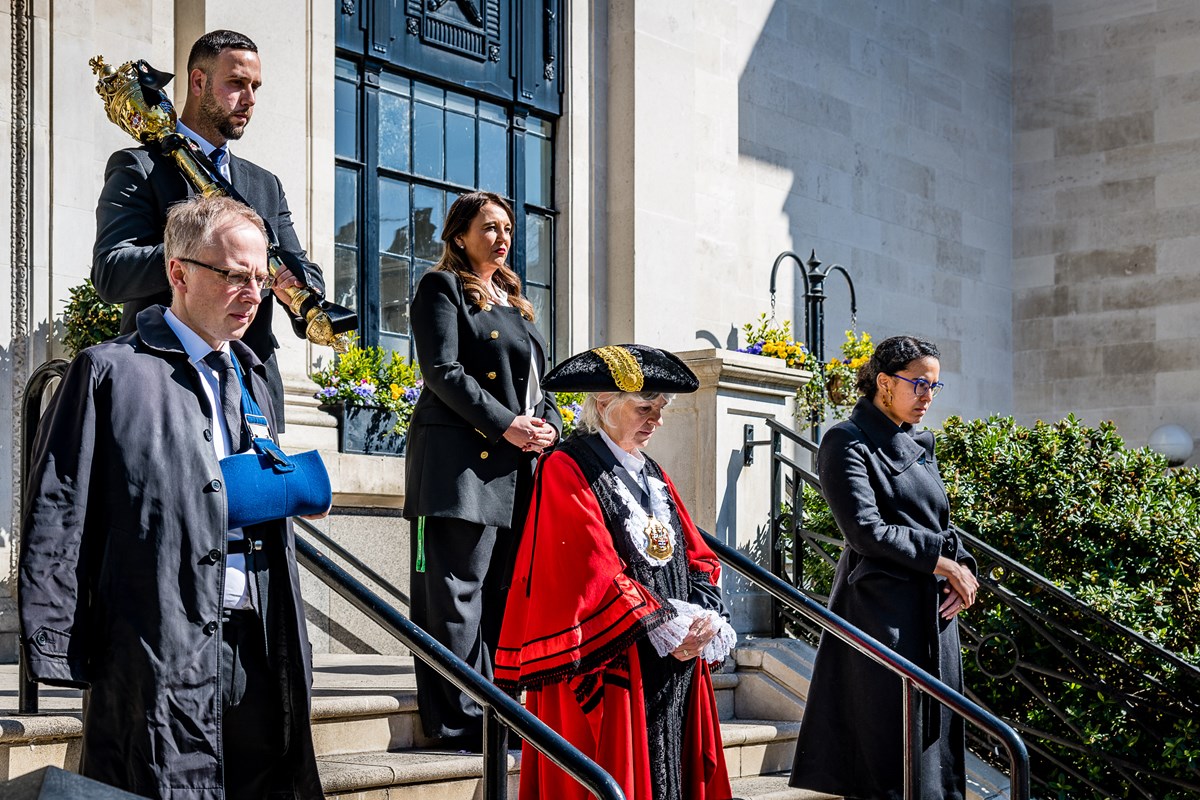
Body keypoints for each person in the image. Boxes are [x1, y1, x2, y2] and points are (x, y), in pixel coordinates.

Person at [20, 196, 324, 800]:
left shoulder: (255, 374)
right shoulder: (110, 371)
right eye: (236, 275)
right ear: (178, 272)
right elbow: (59, 507)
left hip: (258, 641)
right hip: (157, 641)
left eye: (261, 278)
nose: (253, 293)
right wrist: (54, 641)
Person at [495, 344, 737, 800]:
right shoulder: (566, 465)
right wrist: (665, 624)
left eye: (660, 408)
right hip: (615, 654)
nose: (657, 420)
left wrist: (704, 616)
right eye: (645, 407)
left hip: (670, 656)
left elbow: (696, 552)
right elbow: (589, 566)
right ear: (604, 403)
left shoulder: (653, 473)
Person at [93, 28, 323, 428]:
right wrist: (204, 255)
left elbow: (304, 269)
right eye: (236, 83)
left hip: (252, 387)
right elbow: (112, 271)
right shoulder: (140, 166)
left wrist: (299, 291)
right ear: (198, 82)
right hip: (162, 382)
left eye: (255, 87)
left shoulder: (264, 184)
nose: (249, 99)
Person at [788, 335, 980, 800]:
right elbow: (865, 531)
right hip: (881, 614)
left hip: (932, 613)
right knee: (887, 747)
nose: (927, 397)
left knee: (936, 743)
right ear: (882, 382)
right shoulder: (846, 441)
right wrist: (941, 561)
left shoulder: (919, 441)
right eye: (917, 384)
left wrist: (962, 566)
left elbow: (939, 523)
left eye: (934, 386)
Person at [404, 190, 562, 749]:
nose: (502, 238)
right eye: (489, 228)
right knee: (453, 598)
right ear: (459, 236)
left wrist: (549, 426)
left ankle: (493, 712)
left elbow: (540, 388)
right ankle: (456, 721)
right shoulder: (440, 287)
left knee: (499, 597)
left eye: (509, 230)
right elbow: (442, 371)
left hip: (515, 473)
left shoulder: (515, 302)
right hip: (458, 471)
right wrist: (507, 425)